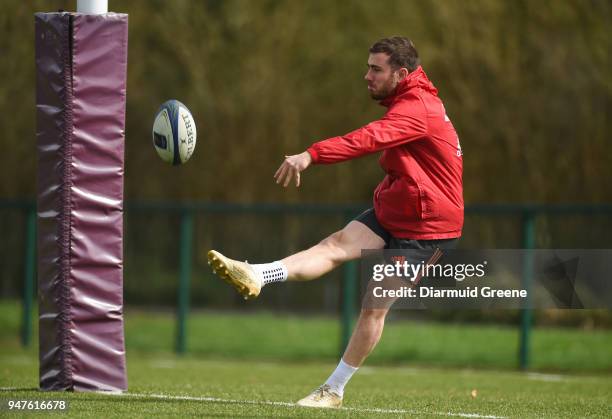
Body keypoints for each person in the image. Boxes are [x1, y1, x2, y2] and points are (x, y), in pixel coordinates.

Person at [207, 36, 464, 408]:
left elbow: (368, 139)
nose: (367, 76)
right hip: (399, 206)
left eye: (376, 69)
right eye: (368, 67)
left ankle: (333, 390)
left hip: (429, 228)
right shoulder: (410, 100)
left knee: (373, 305)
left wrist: (312, 155)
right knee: (333, 246)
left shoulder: (418, 108)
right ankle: (259, 275)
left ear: (401, 73)